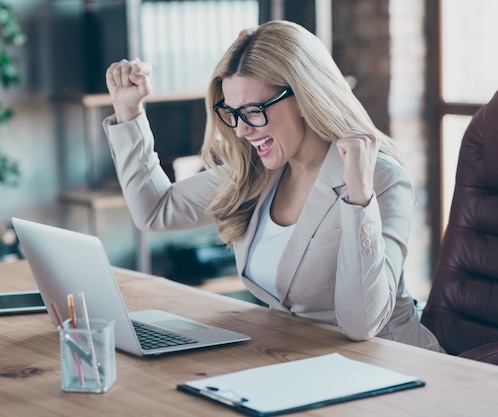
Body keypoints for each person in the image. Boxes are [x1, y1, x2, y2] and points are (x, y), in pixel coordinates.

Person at [102, 20, 442, 351]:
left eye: (253, 111)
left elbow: (362, 325)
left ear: (307, 98)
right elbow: (155, 211)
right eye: (232, 112)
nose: (241, 130)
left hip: (390, 365)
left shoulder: (381, 178)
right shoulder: (261, 170)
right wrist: (128, 110)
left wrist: (358, 199)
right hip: (298, 359)